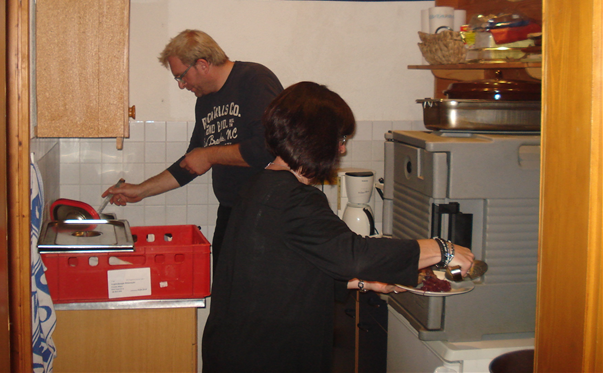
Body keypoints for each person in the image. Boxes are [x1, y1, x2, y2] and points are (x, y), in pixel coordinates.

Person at [201, 82, 474, 373]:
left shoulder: (258, 185)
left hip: (234, 350)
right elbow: (353, 254)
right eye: (340, 138)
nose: (342, 148)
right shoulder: (294, 198)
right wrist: (441, 249)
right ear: (316, 139)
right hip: (266, 357)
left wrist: (364, 283)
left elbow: (282, 273)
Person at [102, 29, 283, 267]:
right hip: (231, 211)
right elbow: (191, 163)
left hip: (268, 215)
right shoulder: (205, 101)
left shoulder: (255, 80)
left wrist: (209, 155)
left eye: (181, 76)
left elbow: (267, 148)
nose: (181, 85)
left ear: (202, 65)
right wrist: (141, 190)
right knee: (223, 286)